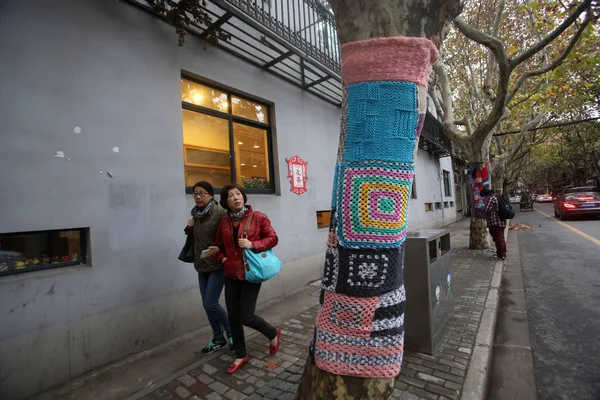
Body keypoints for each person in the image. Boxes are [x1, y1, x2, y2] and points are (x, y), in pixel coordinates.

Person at [208, 184, 281, 375]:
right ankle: (240, 354)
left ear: (243, 197)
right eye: (231, 195)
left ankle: (272, 332)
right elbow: (219, 246)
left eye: (238, 194)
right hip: (231, 274)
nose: (236, 197)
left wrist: (253, 244)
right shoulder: (224, 222)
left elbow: (273, 238)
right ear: (226, 202)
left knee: (246, 316)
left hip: (250, 273)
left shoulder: (258, 217)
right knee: (233, 319)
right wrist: (221, 257)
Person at [185, 181, 231, 354]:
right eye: (195, 193)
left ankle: (231, 332)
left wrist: (219, 249)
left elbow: (228, 237)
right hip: (201, 265)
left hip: (217, 265)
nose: (198, 196)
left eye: (202, 193)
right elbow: (196, 239)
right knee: (207, 305)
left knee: (210, 303)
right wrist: (189, 228)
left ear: (211, 195)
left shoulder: (220, 213)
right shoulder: (196, 214)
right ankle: (218, 338)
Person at [480, 188, 507, 260]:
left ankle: (500, 256)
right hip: (502, 222)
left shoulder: (491, 198)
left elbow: (487, 209)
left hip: (495, 223)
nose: (485, 198)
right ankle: (502, 254)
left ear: (486, 194)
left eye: (484, 197)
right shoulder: (497, 196)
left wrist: (481, 209)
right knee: (501, 239)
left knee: (498, 239)